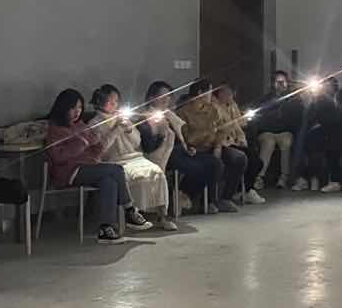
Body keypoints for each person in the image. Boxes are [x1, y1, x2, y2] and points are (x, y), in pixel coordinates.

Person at [44, 89, 153, 240]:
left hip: (89, 167)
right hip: (68, 172)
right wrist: (81, 145)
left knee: (109, 182)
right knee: (116, 170)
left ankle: (106, 229)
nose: (77, 112)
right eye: (73, 108)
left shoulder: (80, 125)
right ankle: (129, 210)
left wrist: (98, 143)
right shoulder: (55, 129)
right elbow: (58, 157)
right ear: (63, 108)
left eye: (80, 107)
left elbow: (97, 150)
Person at [88, 84, 176, 227]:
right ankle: (132, 214)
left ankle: (162, 216)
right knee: (136, 177)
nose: (114, 105)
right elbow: (101, 150)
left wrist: (129, 129)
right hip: (115, 161)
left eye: (116, 101)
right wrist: (116, 130)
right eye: (110, 101)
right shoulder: (94, 124)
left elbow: (137, 142)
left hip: (135, 157)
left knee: (157, 172)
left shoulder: (122, 118)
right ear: (100, 102)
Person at [138, 80, 213, 217]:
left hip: (178, 151)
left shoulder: (169, 114)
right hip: (161, 154)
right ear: (151, 97)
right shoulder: (144, 117)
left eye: (169, 96)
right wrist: (161, 134)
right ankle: (178, 197)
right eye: (163, 96)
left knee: (214, 164)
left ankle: (184, 194)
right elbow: (148, 147)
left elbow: (181, 135)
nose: (166, 99)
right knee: (198, 167)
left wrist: (188, 146)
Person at [179, 80, 241, 213]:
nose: (211, 95)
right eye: (209, 91)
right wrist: (206, 133)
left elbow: (221, 130)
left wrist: (218, 146)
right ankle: (207, 201)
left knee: (239, 158)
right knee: (214, 164)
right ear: (200, 93)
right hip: (196, 149)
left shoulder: (212, 109)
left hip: (214, 145)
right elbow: (187, 137)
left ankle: (226, 198)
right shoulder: (184, 112)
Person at [253, 70, 305, 192]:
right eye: (278, 82)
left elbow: (297, 116)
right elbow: (258, 114)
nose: (280, 84)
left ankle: (284, 177)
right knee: (268, 143)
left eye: (283, 82)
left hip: (284, 131)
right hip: (267, 132)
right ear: (273, 83)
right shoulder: (266, 98)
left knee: (286, 142)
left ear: (287, 83)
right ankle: (259, 177)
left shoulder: (293, 99)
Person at [215, 82, 265, 204]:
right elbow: (219, 128)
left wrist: (242, 139)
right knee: (247, 159)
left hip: (235, 141)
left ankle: (244, 189)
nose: (230, 97)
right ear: (220, 93)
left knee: (257, 161)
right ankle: (245, 190)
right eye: (227, 94)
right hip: (223, 142)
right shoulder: (215, 107)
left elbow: (238, 124)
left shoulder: (232, 105)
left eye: (231, 94)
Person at [305, 77, 342, 193]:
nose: (328, 88)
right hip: (329, 131)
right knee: (317, 140)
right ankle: (328, 180)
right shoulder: (319, 100)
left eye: (330, 85)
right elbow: (314, 117)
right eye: (326, 86)